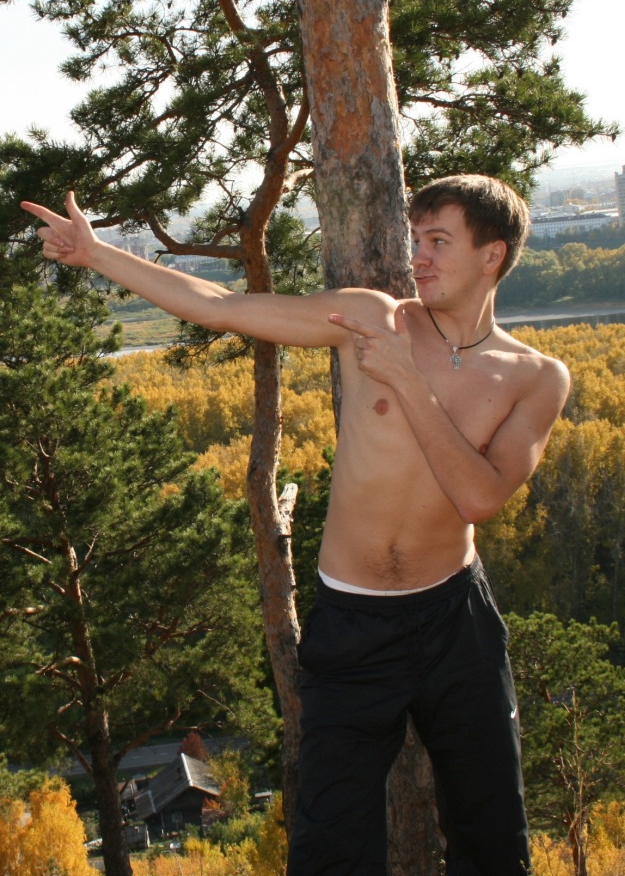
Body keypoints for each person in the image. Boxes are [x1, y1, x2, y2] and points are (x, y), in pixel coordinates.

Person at [22, 175, 570, 876]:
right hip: (353, 622)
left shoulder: (535, 377)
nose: (419, 257)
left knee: (491, 834)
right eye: (416, 239)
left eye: (439, 241)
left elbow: (480, 497)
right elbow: (220, 305)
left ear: (493, 255)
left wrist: (407, 381)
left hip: (454, 623)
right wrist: (98, 254)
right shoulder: (373, 319)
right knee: (330, 844)